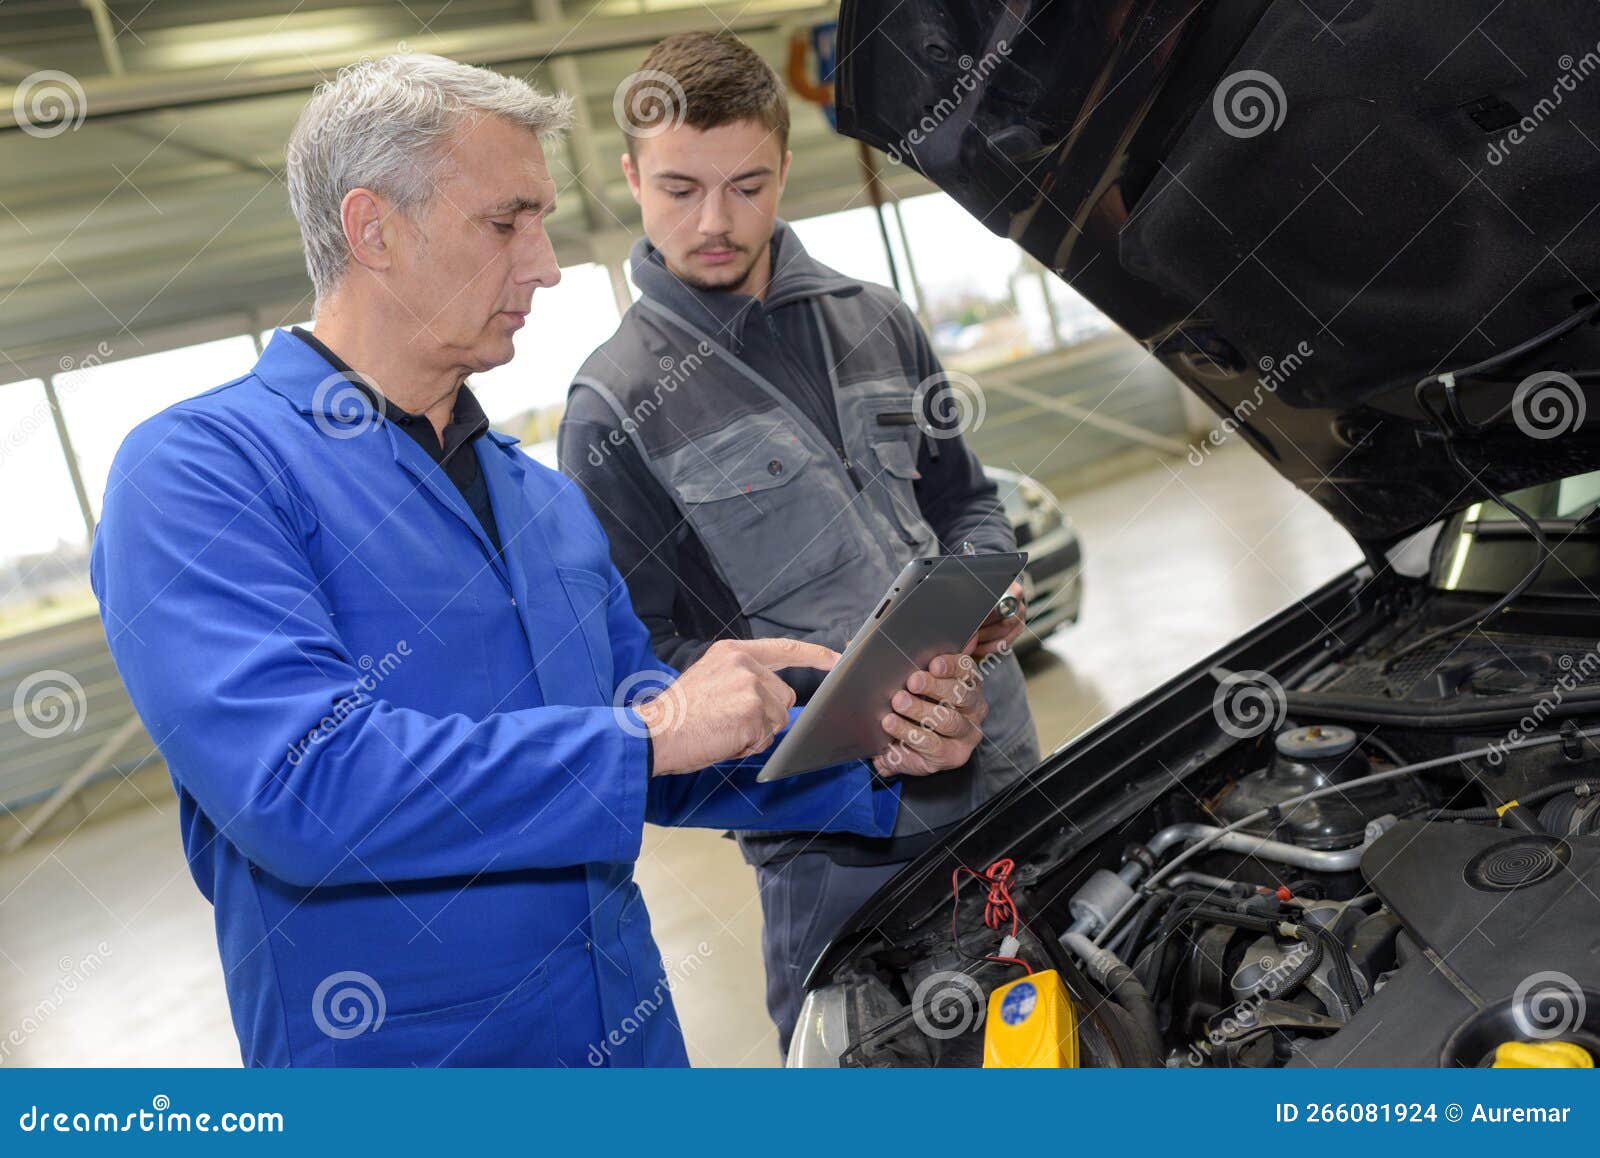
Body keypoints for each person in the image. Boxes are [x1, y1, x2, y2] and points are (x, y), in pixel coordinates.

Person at [89, 53, 988, 1068]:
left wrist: (877, 743)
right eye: (506, 222)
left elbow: (653, 729)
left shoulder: (539, 501)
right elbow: (303, 786)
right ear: (371, 227)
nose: (547, 264)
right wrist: (648, 737)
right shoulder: (203, 473)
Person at [558, 31, 1040, 1056]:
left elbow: (968, 504)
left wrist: (987, 582)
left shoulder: (878, 322)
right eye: (680, 188)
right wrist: (847, 723)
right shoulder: (613, 409)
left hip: (1005, 768)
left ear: (783, 167)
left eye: (746, 185)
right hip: (838, 845)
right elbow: (643, 674)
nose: (716, 222)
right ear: (631, 178)